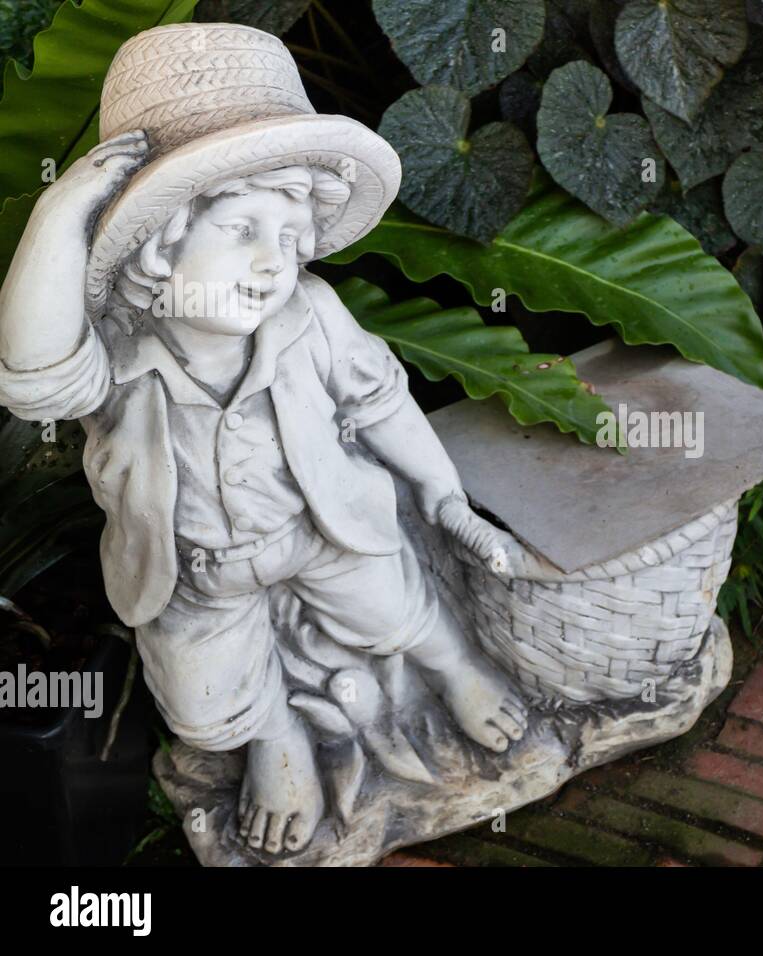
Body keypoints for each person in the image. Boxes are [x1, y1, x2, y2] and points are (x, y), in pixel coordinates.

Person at [0, 23, 527, 857]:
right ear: (159, 249)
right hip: (197, 573)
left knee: (394, 599)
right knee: (200, 704)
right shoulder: (123, 356)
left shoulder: (309, 314)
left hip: (321, 529)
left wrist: (440, 492)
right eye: (242, 230)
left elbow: (383, 398)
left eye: (289, 238)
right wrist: (63, 212)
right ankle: (276, 732)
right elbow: (27, 375)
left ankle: (455, 668)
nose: (273, 262)